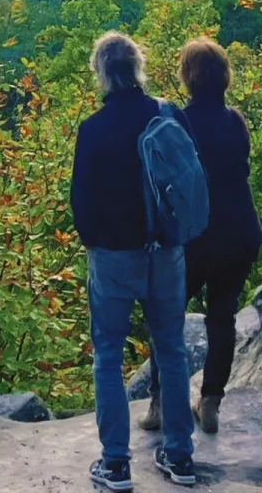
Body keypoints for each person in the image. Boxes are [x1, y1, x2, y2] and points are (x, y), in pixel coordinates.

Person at [71, 32, 197, 490]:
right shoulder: (168, 115)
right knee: (171, 350)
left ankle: (116, 463)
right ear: (139, 68)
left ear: (102, 73)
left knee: (107, 355)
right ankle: (181, 456)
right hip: (165, 252)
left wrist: (97, 243)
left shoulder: (94, 129)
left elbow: (80, 203)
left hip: (112, 257)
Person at [140, 37, 262, 438]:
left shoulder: (178, 122)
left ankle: (159, 403)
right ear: (223, 76)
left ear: (188, 77)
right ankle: (210, 402)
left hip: (194, 237)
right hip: (240, 232)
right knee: (222, 316)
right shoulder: (236, 121)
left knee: (166, 316)